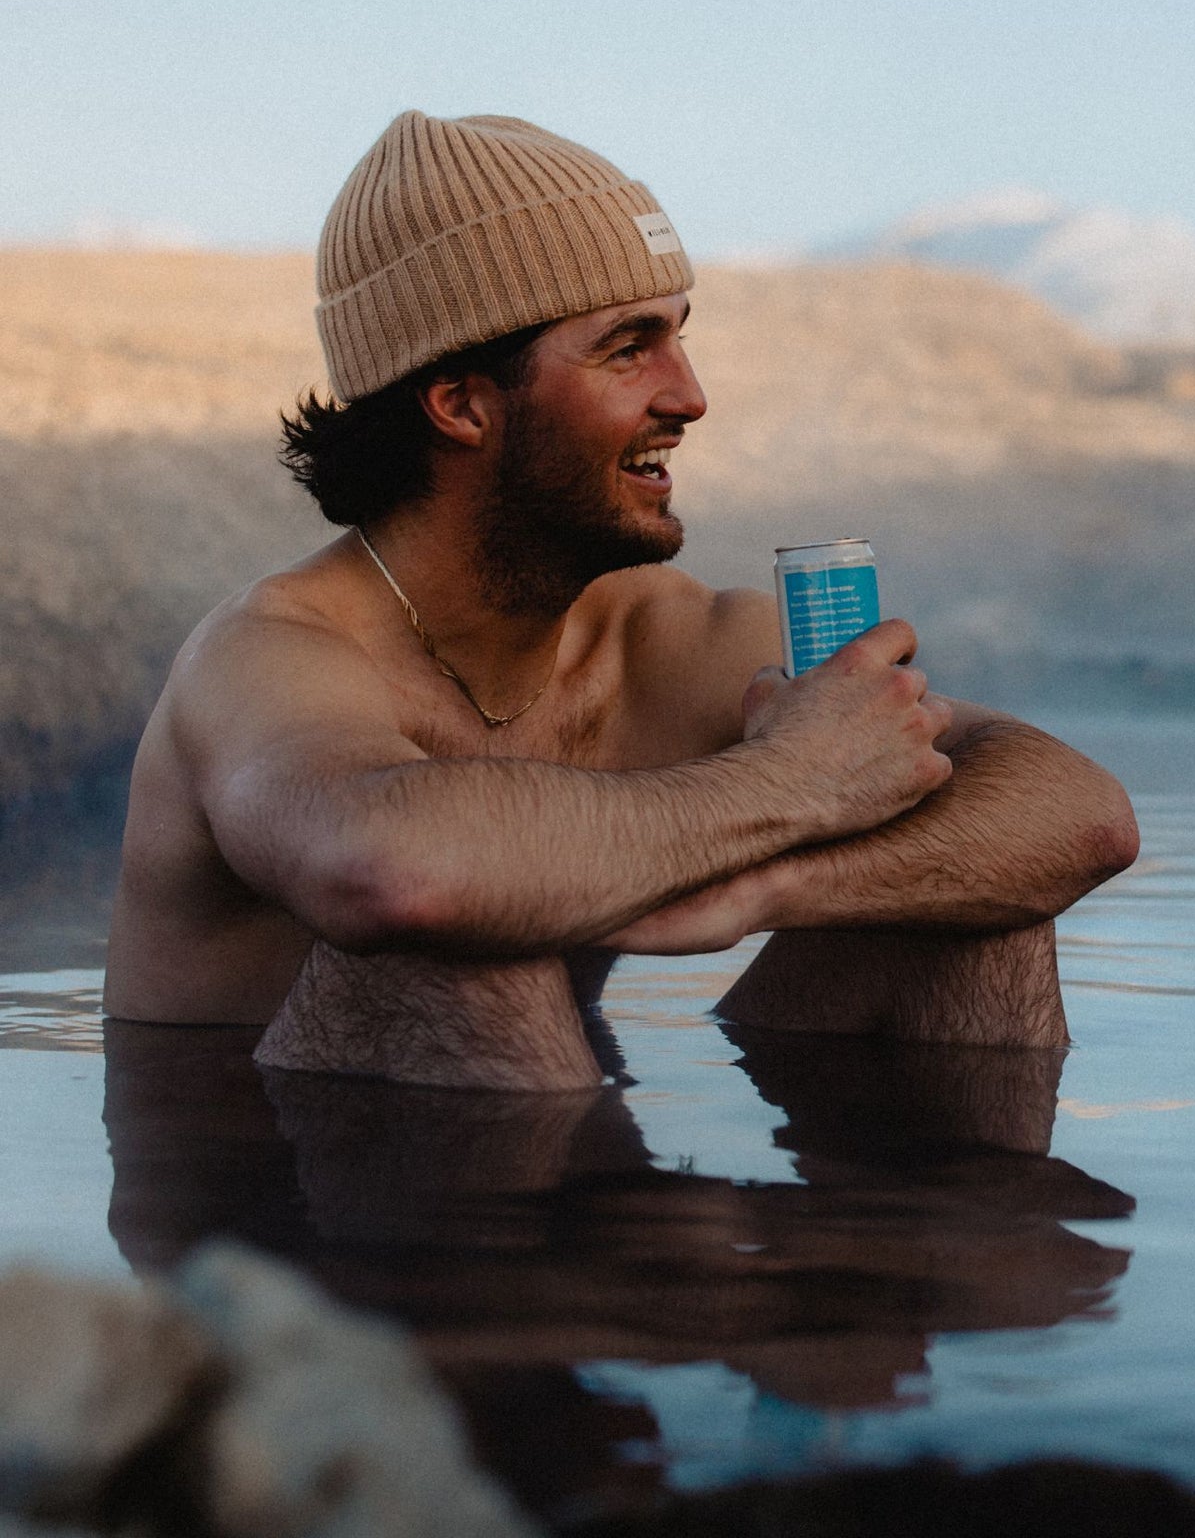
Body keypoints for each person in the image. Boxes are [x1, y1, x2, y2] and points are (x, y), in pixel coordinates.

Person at [106, 110, 1139, 1087]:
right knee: (468, 928)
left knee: (967, 893)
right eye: (627, 345)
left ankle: (895, 1257)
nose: (688, 394)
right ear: (462, 402)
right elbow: (396, 876)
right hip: (266, 1212)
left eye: (678, 336)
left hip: (547, 1161)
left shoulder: (665, 638)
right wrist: (784, 784)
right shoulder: (268, 654)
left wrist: (771, 887)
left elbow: (1084, 818)